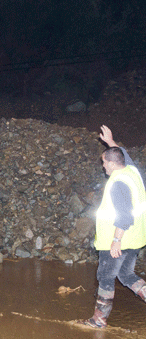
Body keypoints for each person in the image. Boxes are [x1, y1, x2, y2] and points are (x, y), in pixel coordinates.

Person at [78, 125, 146, 328]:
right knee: (125, 275)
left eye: (104, 162)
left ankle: (98, 320)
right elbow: (123, 154)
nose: (103, 166)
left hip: (118, 240)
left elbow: (124, 215)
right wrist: (110, 142)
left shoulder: (118, 183)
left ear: (112, 164)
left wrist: (116, 241)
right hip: (135, 239)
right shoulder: (132, 171)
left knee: (105, 276)